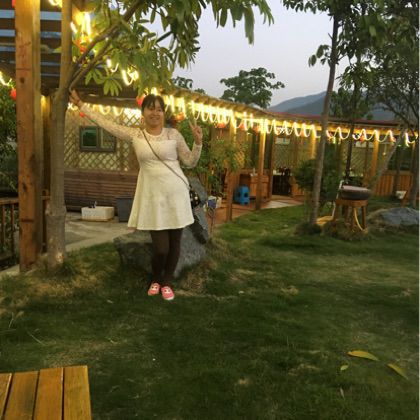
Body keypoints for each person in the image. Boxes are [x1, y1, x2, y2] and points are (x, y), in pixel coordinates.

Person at [69, 90, 203, 301]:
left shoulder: (173, 135)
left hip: (176, 195)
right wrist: (81, 106)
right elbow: (108, 125)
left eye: (159, 109)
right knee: (161, 248)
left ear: (164, 113)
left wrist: (198, 142)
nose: (155, 113)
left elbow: (190, 161)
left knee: (175, 244)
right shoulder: (136, 135)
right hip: (152, 198)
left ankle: (167, 282)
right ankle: (156, 279)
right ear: (143, 112)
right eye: (150, 108)